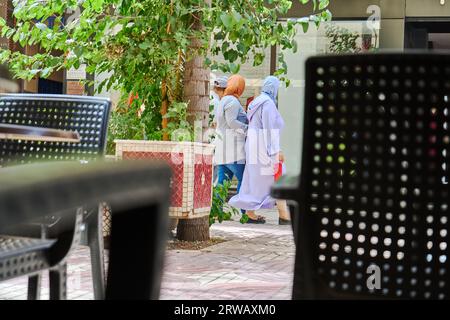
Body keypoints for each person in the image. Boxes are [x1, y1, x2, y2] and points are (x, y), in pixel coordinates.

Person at [229, 76, 291, 224]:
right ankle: (283, 215)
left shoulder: (256, 102)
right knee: (278, 176)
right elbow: (269, 128)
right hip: (264, 146)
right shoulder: (268, 103)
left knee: (255, 179)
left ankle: (250, 214)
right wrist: (276, 150)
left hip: (253, 145)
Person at [214, 74, 248, 195]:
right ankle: (246, 213)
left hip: (223, 150)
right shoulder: (232, 101)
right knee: (244, 181)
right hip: (233, 151)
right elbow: (232, 122)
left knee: (222, 183)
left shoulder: (223, 100)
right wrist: (248, 129)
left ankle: (217, 212)